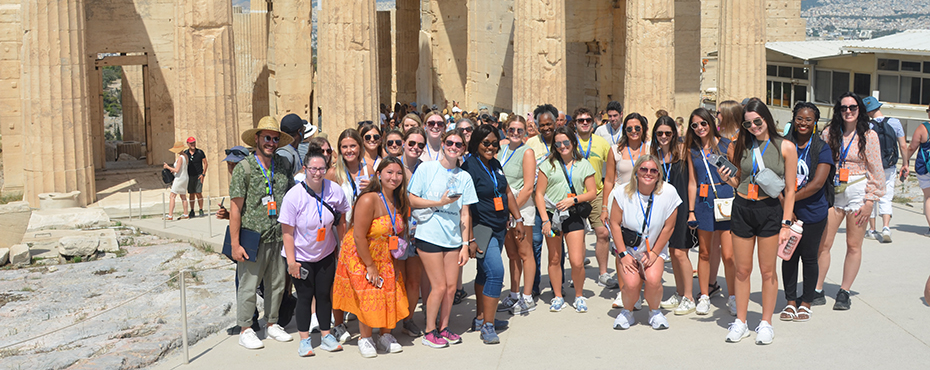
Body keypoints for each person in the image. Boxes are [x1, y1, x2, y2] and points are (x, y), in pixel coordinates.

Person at [717, 98, 797, 345]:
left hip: (769, 210)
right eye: (748, 123)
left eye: (758, 121)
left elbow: (791, 190)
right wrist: (725, 178)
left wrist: (786, 224)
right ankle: (741, 321)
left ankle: (765, 323)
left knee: (768, 270)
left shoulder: (785, 146)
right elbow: (738, 181)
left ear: (767, 118)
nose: (754, 127)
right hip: (742, 207)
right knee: (742, 270)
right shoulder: (739, 144)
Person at [332, 157, 410, 358]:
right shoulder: (369, 199)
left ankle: (385, 335)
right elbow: (358, 235)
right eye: (389, 172)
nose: (394, 177)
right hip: (361, 253)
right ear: (379, 174)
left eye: (398, 173)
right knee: (370, 292)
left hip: (386, 254)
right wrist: (370, 265)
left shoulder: (399, 199)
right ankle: (365, 338)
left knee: (390, 291)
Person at [229, 116, 295, 349]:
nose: (271, 142)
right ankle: (246, 328)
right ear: (257, 138)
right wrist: (236, 244)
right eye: (267, 137)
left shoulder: (283, 165)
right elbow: (235, 209)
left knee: (276, 283)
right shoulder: (244, 168)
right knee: (248, 284)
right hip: (252, 237)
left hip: (278, 235)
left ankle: (272, 322)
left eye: (275, 138)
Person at [815, 92, 885, 311]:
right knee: (824, 244)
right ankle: (817, 289)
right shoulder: (829, 133)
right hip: (833, 191)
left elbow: (876, 169)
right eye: (844, 108)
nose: (848, 111)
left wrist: (870, 200)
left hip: (858, 191)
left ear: (859, 110)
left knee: (853, 245)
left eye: (852, 107)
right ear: (838, 110)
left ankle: (844, 292)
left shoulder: (869, 135)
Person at [408, 129, 477, 348]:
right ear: (443, 144)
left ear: (463, 149)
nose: (454, 147)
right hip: (428, 234)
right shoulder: (426, 169)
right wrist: (439, 203)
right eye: (450, 143)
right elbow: (412, 200)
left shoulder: (465, 177)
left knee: (450, 288)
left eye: (458, 145)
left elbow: (465, 213)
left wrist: (466, 245)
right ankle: (429, 331)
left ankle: (444, 327)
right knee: (437, 286)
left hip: (454, 239)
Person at [280, 148, 350, 356]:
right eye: (313, 169)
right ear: (305, 169)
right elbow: (287, 233)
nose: (317, 173)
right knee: (304, 296)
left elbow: (342, 219)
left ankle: (326, 335)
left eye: (321, 168)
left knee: (323, 295)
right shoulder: (294, 196)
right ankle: (304, 340)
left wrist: (343, 248)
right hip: (300, 256)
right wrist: (292, 262)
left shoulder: (334, 189)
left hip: (325, 252)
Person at [461, 124, 525, 344]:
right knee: (496, 273)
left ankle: (481, 317)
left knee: (484, 274)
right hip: (481, 228)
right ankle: (488, 326)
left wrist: (518, 218)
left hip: (499, 227)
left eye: (494, 143)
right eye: (485, 143)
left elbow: (506, 191)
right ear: (476, 143)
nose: (490, 147)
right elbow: (465, 205)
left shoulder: (495, 164)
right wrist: (468, 239)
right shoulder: (469, 166)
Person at [610, 155, 681, 330]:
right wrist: (623, 255)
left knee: (653, 280)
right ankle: (627, 312)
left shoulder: (669, 192)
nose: (648, 173)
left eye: (653, 170)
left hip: (654, 248)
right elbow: (614, 224)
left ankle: (655, 312)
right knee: (632, 283)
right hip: (628, 248)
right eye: (643, 169)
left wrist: (655, 253)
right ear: (636, 172)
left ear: (658, 175)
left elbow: (668, 227)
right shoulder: (622, 192)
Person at [779, 101, 832, 323]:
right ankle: (790, 302)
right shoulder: (782, 144)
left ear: (815, 122)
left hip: (813, 212)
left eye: (808, 119)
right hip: (786, 214)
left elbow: (817, 183)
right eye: (799, 118)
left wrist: (789, 201)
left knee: (810, 258)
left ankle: (807, 302)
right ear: (794, 119)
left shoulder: (822, 148)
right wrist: (786, 207)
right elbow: (773, 178)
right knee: (788, 256)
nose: (803, 123)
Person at [536, 125, 597, 313]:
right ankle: (557, 296)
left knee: (577, 260)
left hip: (573, 216)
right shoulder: (548, 164)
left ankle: (579, 295)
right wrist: (545, 220)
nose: (562, 146)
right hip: (552, 216)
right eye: (558, 143)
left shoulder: (584, 164)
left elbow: (593, 192)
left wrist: (574, 200)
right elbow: (538, 194)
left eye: (566, 142)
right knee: (554, 258)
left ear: (573, 142)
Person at [685, 107, 736, 316]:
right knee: (705, 253)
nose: (699, 128)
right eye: (694, 125)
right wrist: (691, 211)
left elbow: (736, 175)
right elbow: (691, 182)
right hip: (704, 202)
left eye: (703, 123)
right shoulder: (692, 150)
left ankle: (733, 296)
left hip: (724, 198)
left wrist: (730, 182)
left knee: (728, 254)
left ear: (711, 123)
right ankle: (704, 295)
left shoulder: (726, 145)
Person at [602, 113, 650, 309]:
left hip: (644, 200)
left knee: (641, 247)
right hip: (620, 201)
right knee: (620, 247)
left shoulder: (649, 148)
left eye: (637, 128)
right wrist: (605, 206)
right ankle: (625, 292)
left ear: (643, 129)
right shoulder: (616, 150)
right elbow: (609, 180)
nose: (633, 132)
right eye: (629, 128)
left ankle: (638, 291)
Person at [650, 116, 696, 316]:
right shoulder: (654, 155)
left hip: (682, 206)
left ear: (674, 134)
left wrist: (692, 211)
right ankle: (678, 292)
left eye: (668, 133)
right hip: (662, 208)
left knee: (680, 252)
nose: (664, 137)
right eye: (659, 133)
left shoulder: (684, 152)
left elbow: (692, 181)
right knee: (671, 252)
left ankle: (689, 297)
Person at [496, 115, 538, 316]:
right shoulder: (501, 149)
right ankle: (513, 294)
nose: (515, 133)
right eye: (511, 129)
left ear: (525, 132)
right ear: (505, 130)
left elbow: (528, 187)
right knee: (512, 253)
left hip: (520, 209)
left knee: (524, 252)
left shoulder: (527, 152)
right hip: (504, 209)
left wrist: (513, 212)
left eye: (519, 130)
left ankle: (527, 297)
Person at [573, 107, 615, 290]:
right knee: (578, 235)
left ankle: (603, 274)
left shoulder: (601, 143)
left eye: (588, 120)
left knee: (603, 233)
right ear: (574, 124)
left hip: (596, 193)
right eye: (580, 120)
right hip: (574, 195)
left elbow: (614, 166)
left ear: (593, 122)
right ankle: (578, 272)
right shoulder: (568, 142)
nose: (584, 123)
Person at [394, 125, 428, 338]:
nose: (415, 147)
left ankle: (408, 319)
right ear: (404, 143)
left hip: (417, 230)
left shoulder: (426, 169)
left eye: (420, 145)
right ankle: (389, 318)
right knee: (395, 277)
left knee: (414, 280)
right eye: (412, 143)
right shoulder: (392, 165)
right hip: (394, 230)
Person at [862, 96, 907, 243]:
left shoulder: (866, 126)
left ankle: (873, 229)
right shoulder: (895, 122)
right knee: (886, 196)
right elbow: (903, 145)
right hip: (890, 165)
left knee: (872, 196)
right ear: (879, 107)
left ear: (867, 111)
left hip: (872, 166)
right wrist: (905, 164)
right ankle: (886, 227)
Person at [526, 104, 559, 297]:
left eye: (549, 124)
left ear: (555, 123)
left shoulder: (562, 140)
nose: (546, 128)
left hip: (556, 203)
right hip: (535, 201)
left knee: (555, 244)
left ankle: (558, 283)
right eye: (542, 125)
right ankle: (535, 283)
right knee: (536, 242)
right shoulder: (531, 143)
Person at [900, 102, 930, 234]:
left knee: (929, 198)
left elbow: (911, 147)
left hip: (925, 168)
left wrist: (905, 163)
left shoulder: (923, 128)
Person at [164, 141, 189, 220]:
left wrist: (167, 167)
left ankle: (170, 215)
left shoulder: (181, 158)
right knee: (183, 196)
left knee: (172, 195)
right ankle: (185, 213)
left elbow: (177, 170)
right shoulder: (186, 156)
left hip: (179, 178)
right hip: (185, 177)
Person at [278, 113, 307, 179]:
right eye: (303, 129)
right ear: (299, 132)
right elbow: (282, 181)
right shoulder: (284, 154)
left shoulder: (293, 150)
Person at [185, 136, 208, 218]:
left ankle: (201, 209)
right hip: (190, 176)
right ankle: (192, 210)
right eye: (191, 143)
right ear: (188, 144)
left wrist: (203, 174)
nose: (193, 144)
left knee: (198, 192)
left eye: (194, 143)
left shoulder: (200, 152)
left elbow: (205, 163)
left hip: (198, 175)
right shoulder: (186, 153)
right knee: (191, 193)